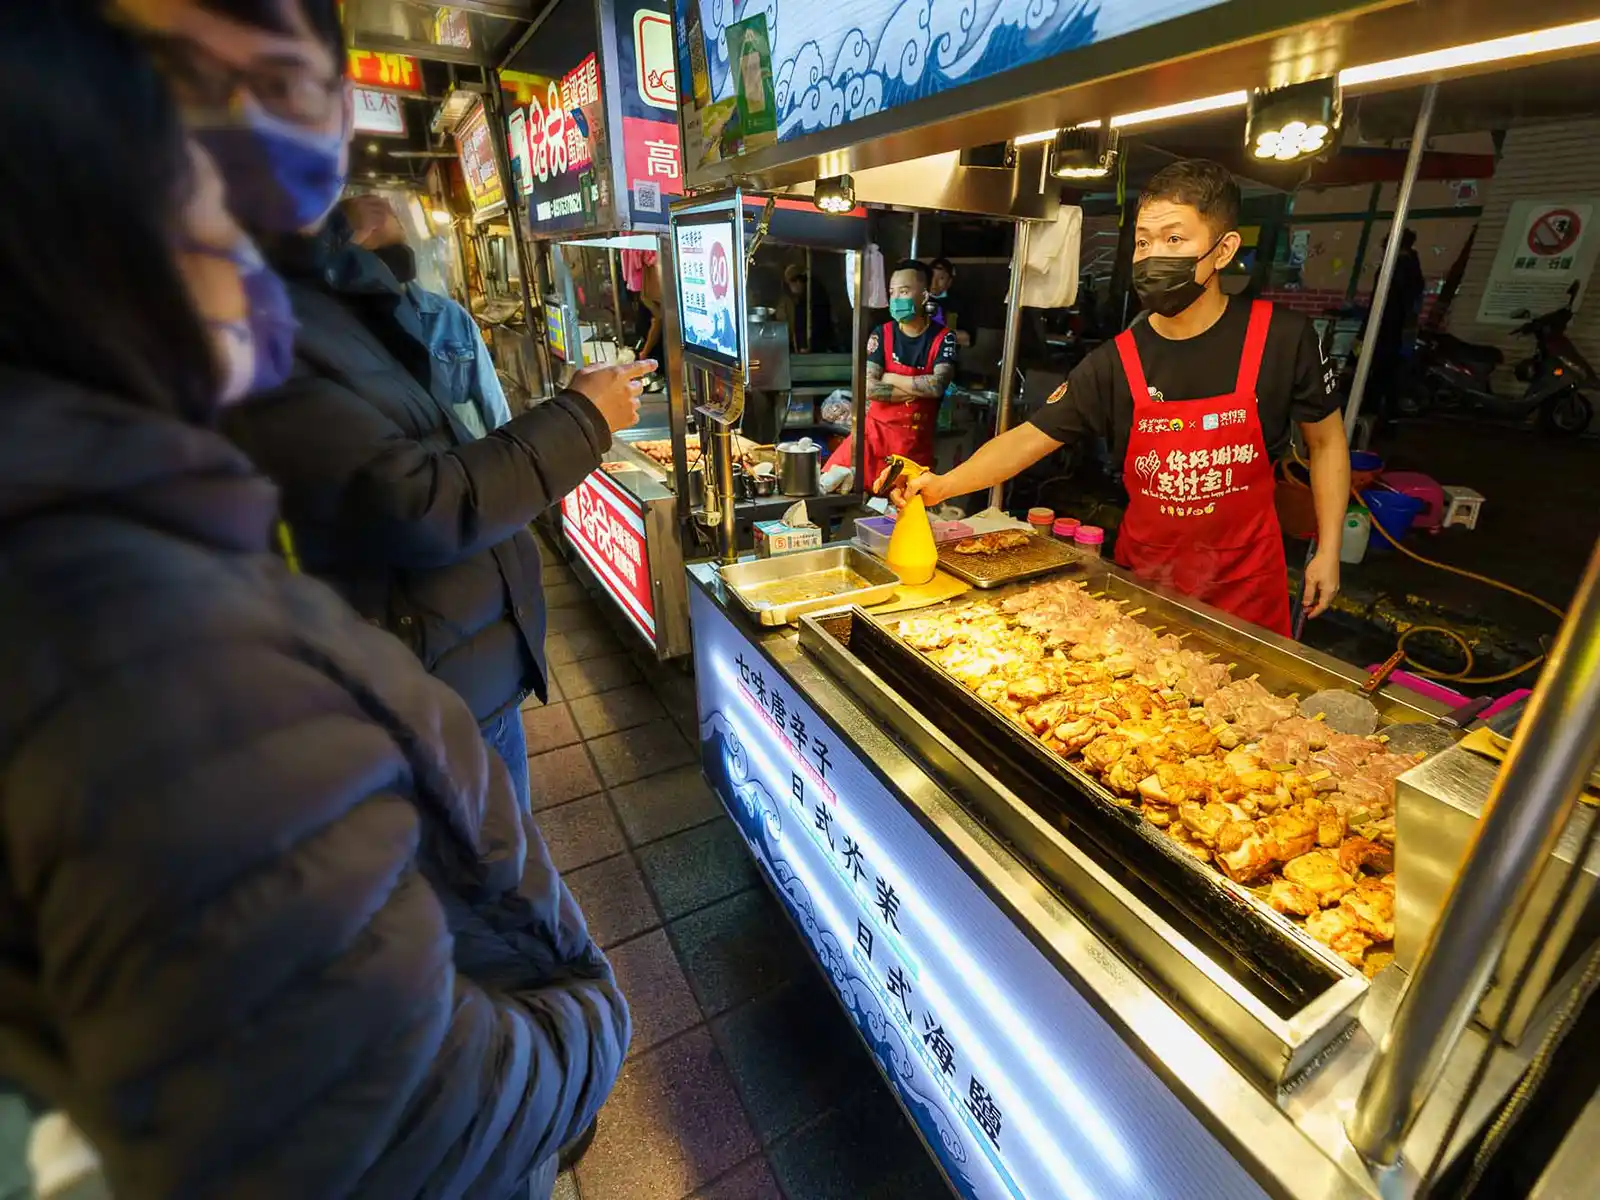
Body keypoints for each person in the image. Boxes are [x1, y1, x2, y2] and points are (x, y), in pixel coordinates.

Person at [1, 7, 628, 1200]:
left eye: (282, 85)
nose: (225, 167)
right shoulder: (132, 635)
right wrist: (589, 1030)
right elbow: (393, 1107)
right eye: (174, 95)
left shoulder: (148, 499)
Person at [204, 76, 651, 809]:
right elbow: (422, 500)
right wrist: (581, 416)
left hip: (448, 672)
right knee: (494, 887)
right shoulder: (265, 331)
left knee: (510, 877)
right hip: (413, 687)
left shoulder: (337, 308)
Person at [895, 160, 1349, 636]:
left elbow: (1326, 443)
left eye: (1174, 240)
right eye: (1144, 242)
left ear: (1223, 249)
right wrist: (944, 485)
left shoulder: (1282, 337)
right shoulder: (1119, 359)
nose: (1154, 255)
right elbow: (1030, 438)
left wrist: (1329, 549)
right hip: (1145, 584)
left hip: (1246, 586)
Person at [342, 193, 512, 435]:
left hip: (467, 466)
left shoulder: (448, 317)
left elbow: (494, 410)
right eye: (369, 233)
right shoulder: (337, 328)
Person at [825, 259, 957, 484]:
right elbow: (868, 388)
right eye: (892, 292)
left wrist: (891, 377)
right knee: (830, 484)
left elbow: (936, 386)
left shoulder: (944, 338)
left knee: (902, 509)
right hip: (870, 441)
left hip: (913, 450)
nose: (896, 299)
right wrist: (917, 387)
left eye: (904, 291)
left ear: (924, 295)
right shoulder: (882, 334)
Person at [1370, 227, 1427, 428]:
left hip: (1387, 330)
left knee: (1379, 374)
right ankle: (1387, 417)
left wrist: (1365, 332)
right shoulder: (1413, 267)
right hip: (1400, 331)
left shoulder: (1396, 269)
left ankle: (1373, 418)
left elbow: (1386, 305)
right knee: (1391, 375)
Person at [781, 261, 835, 352]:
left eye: (791, 283)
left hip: (813, 349)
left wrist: (804, 345)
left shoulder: (812, 299)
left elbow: (809, 323)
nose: (791, 287)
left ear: (798, 281)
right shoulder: (799, 299)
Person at [928, 256, 975, 347]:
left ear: (949, 281)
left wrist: (939, 335)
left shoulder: (958, 303)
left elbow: (968, 338)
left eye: (941, 278)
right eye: (931, 277)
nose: (934, 283)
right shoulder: (919, 299)